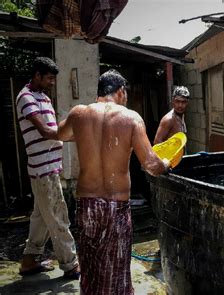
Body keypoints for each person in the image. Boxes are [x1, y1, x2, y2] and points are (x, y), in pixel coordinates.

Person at [57, 69, 170, 295]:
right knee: (116, 274)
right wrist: (166, 163)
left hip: (86, 205)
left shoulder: (78, 114)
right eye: (125, 93)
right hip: (115, 207)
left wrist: (82, 133)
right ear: (120, 92)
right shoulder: (130, 118)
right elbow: (151, 164)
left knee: (90, 269)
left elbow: (60, 134)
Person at [16, 57, 80, 279]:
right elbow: (45, 131)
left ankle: (28, 261)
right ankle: (71, 264)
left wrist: (69, 137)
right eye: (49, 78)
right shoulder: (25, 98)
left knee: (41, 217)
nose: (53, 82)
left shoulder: (42, 97)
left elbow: (53, 131)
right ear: (37, 75)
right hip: (42, 170)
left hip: (49, 167)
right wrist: (76, 135)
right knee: (58, 216)